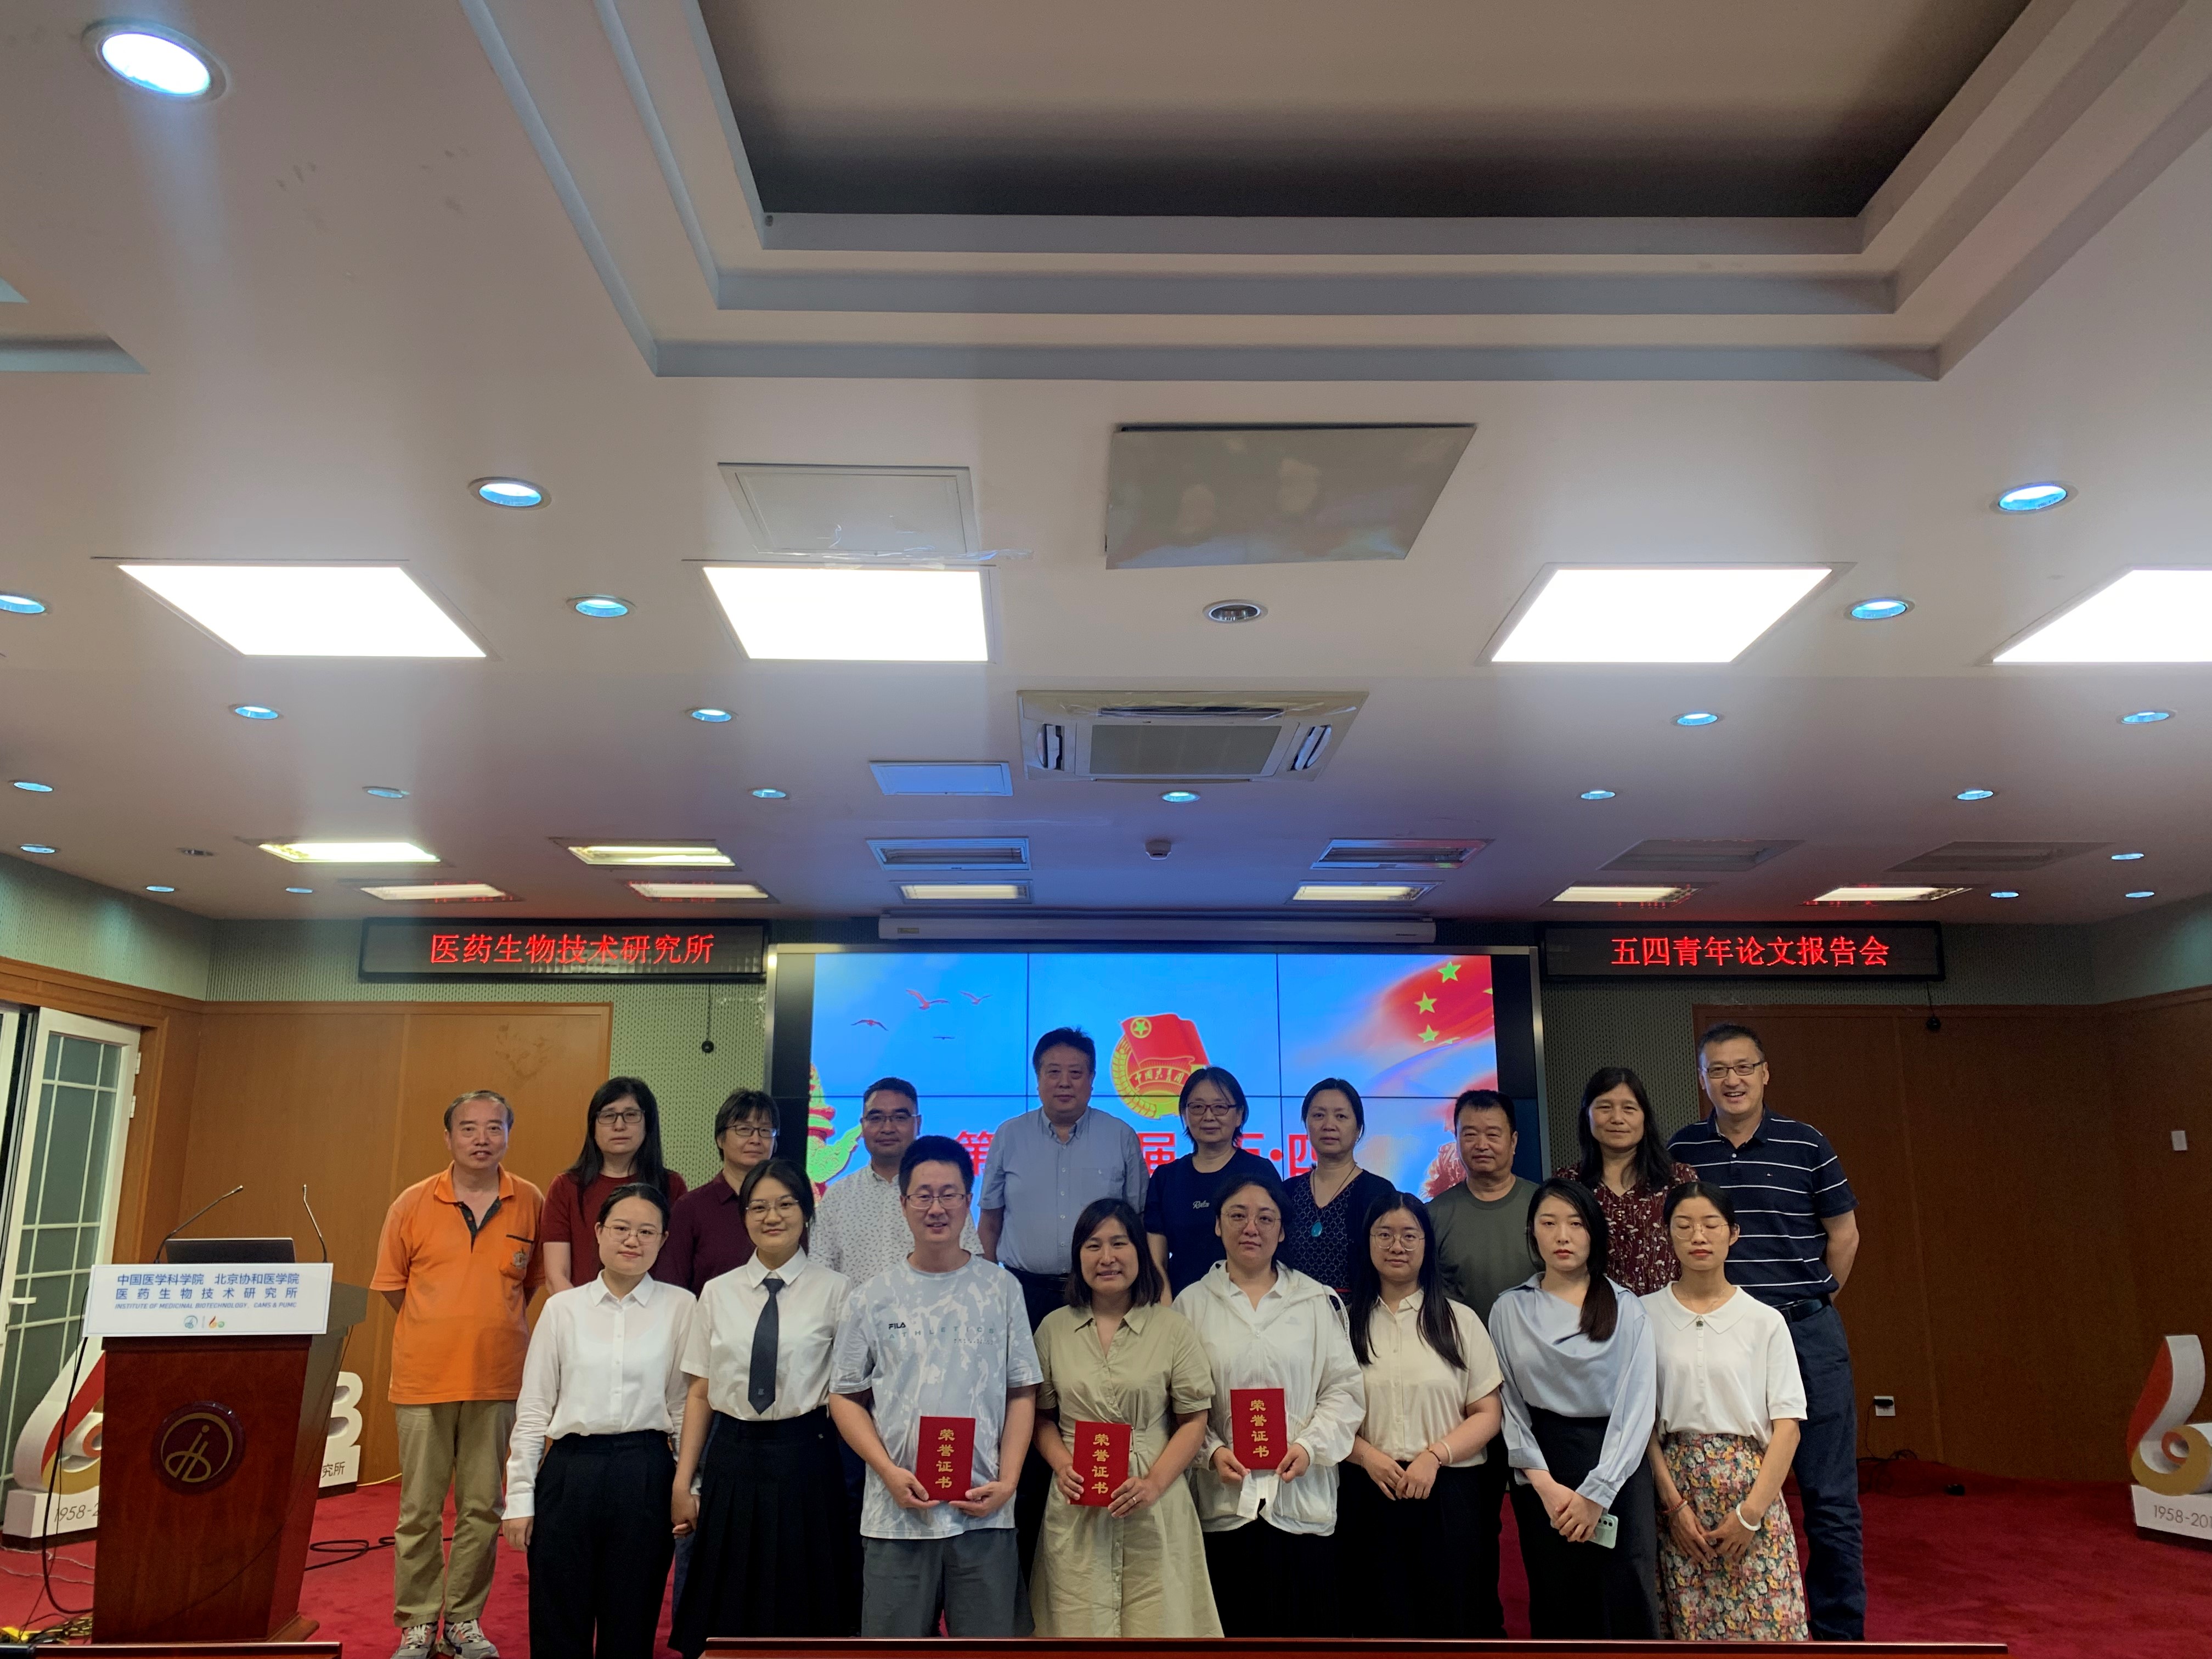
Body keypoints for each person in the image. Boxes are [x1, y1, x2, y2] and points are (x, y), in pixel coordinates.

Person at [1668, 1021, 1864, 1640]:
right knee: (1727, 1483)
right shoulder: (1682, 1150)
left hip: (1805, 1334)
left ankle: (1837, 1636)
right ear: (1703, 1080)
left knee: (1830, 1499)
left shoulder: (1807, 1143)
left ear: (1764, 1073)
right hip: (1717, 1342)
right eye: (1718, 1070)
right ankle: (1731, 1626)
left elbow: (1844, 1236)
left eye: (1743, 1067)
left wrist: (1810, 1303)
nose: (1732, 1080)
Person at [829, 1135, 1042, 1637]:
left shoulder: (1001, 1288)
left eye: (949, 1194)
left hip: (984, 1511)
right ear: (903, 1202)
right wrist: (887, 1472)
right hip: (897, 1516)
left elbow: (1022, 1391)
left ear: (968, 1202)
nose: (936, 1208)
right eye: (923, 1195)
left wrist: (1009, 1482)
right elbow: (844, 1396)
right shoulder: (872, 1297)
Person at [371, 1089, 545, 1659]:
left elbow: (530, 1283)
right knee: (419, 1510)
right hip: (424, 1380)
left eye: (494, 1128)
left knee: (482, 1508)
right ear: (448, 1137)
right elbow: (393, 1287)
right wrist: (438, 1328)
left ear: (508, 1135)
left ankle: (464, 1620)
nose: (481, 1139)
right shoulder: (412, 1203)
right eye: (468, 1128)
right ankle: (418, 1621)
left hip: (497, 1379)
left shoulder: (530, 1201)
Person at [501, 1184, 693, 1659]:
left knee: (632, 1618)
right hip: (571, 1470)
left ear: (664, 1239)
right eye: (622, 1228)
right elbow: (534, 1409)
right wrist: (519, 1498)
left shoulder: (681, 1307)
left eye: (646, 1231)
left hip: (645, 1470)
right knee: (558, 1617)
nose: (633, 1240)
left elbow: (683, 1408)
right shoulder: (562, 1309)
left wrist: (689, 1485)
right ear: (600, 1232)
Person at [670, 1159, 855, 1648]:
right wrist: (684, 1480)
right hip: (732, 1454)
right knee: (728, 1598)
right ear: (745, 1217)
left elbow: (848, 1391)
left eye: (785, 1204)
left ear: (806, 1212)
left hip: (808, 1456)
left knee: (803, 1600)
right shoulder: (717, 1293)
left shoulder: (836, 1291)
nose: (772, 1217)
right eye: (758, 1207)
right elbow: (700, 1391)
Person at [1178, 1170, 1364, 1638]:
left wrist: (1309, 1447)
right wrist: (1211, 1451)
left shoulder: (1315, 1300)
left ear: (1282, 1231)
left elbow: (1343, 1390)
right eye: (1237, 1216)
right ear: (1218, 1225)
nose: (1251, 1228)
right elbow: (1178, 1402)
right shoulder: (1191, 1305)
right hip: (1224, 1503)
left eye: (1266, 1218)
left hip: (1302, 1498)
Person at [1029, 1199, 1220, 1637]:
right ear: (1078, 1256)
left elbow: (1194, 1420)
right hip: (1078, 1496)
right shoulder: (1053, 1328)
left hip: (1156, 1493)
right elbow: (1041, 1418)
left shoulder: (1173, 1328)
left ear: (1140, 1251)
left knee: (1159, 1623)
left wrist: (1154, 1484)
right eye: (1093, 1246)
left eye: (1119, 1243)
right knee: (1078, 1622)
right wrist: (1062, 1464)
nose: (1107, 1257)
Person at [1489, 1177, 1661, 1640]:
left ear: (1594, 1234)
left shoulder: (1627, 1307)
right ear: (1532, 1232)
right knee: (1558, 1596)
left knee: (1625, 1594)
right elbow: (1509, 1408)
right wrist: (1544, 1486)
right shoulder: (1509, 1310)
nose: (1562, 1236)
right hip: (1543, 1467)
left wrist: (1597, 1493)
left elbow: (1637, 1407)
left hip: (1617, 1466)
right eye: (1549, 1223)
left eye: (1576, 1224)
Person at [1644, 1181, 1810, 1641]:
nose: (1698, 1236)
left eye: (1711, 1225)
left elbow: (1788, 1427)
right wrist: (1674, 1506)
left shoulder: (1765, 1321)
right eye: (1684, 1226)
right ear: (1667, 1234)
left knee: (1768, 1630)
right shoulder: (1642, 1316)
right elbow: (1641, 1426)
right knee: (1687, 1632)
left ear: (1733, 1233)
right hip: (1677, 1495)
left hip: (1752, 1490)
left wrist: (1750, 1515)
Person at [1340, 1190, 1506, 1639]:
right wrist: (1367, 1457)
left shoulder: (1459, 1321)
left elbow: (1488, 1412)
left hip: (1449, 1490)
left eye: (1409, 1235)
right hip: (1371, 1488)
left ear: (1427, 1244)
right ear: (1368, 1242)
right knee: (1379, 1619)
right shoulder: (1345, 1324)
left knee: (1453, 1618)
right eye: (1385, 1234)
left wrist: (1435, 1456)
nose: (1397, 1246)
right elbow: (1328, 1414)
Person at [1423, 1088, 1539, 1636]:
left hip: (1538, 1397)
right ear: (1456, 1140)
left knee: (1543, 1528)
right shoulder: (1434, 1216)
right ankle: (1482, 1638)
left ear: (1514, 1141)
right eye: (1469, 1133)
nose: (1482, 1144)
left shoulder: (1544, 1208)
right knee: (1473, 1532)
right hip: (1467, 1402)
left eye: (1494, 1134)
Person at [979, 1028, 1149, 1330]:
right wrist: (986, 1287)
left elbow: (1139, 1219)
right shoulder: (1009, 1136)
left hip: (1101, 1292)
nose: (1064, 1082)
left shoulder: (1121, 1137)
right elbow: (990, 1221)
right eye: (1054, 1072)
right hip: (1022, 1292)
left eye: (1076, 1073)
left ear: (1092, 1079)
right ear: (1038, 1078)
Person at [812, 1076, 981, 1285]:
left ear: (918, 1123)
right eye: (876, 1118)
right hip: (855, 1307)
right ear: (862, 1125)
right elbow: (819, 1271)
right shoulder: (838, 1196)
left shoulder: (944, 1195)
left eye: (900, 1118)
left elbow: (971, 1266)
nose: (887, 1128)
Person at [1555, 1068, 1695, 1297]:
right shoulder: (1566, 1185)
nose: (1617, 1119)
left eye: (1629, 1108)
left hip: (1666, 1314)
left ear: (1645, 1117)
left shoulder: (1679, 1180)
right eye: (1605, 1107)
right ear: (1587, 1115)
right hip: (1589, 1314)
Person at [541, 1078, 690, 1292]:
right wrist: (582, 1311)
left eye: (631, 1115)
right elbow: (556, 1275)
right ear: (593, 1125)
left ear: (648, 1123)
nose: (619, 1126)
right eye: (608, 1116)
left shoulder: (671, 1185)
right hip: (581, 1309)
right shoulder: (566, 1187)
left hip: (653, 1308)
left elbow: (676, 1266)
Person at [1142, 1067, 1275, 1300]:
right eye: (1197, 1107)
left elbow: (1273, 1245)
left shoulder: (1259, 1172)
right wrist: (1167, 1310)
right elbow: (1157, 1261)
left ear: (1239, 1115)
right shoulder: (1166, 1178)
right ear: (1185, 1114)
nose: (1209, 1116)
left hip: (1248, 1303)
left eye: (1220, 1107)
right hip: (1181, 1302)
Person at [1278, 1079, 1395, 1295]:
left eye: (1341, 1116)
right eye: (1318, 1115)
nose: (1329, 1125)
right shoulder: (1288, 1191)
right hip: (1292, 1311)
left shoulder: (1379, 1192)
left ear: (1358, 1128)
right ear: (1307, 1125)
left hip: (1358, 1311)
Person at [656, 1088, 777, 1295]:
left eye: (765, 1130)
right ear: (720, 1139)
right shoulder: (690, 1208)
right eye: (744, 1129)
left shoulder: (787, 1209)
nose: (756, 1139)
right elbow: (671, 1289)